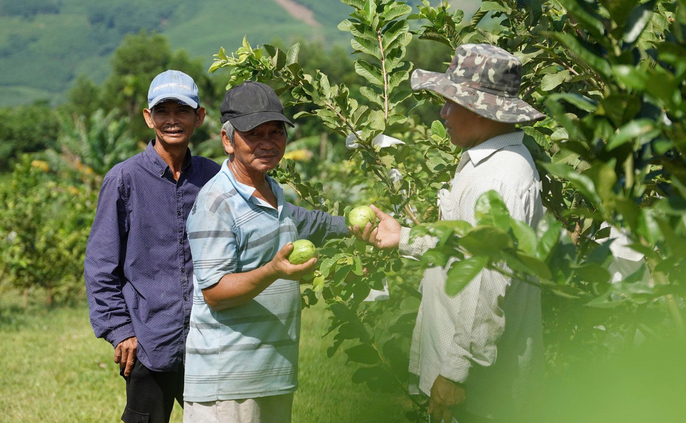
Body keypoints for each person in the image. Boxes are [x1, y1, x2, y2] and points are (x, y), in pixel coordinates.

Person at [84, 71, 346, 423]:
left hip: (207, 339)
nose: (173, 120)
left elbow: (284, 215)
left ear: (200, 117)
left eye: (183, 111)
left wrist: (349, 228)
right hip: (151, 339)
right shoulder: (124, 179)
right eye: (163, 111)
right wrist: (120, 330)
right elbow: (101, 263)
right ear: (149, 118)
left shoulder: (214, 177)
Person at [354, 44, 546, 422]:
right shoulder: (483, 163)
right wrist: (405, 238)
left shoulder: (498, 178)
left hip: (482, 389)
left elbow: (488, 283)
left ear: (480, 108)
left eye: (450, 103)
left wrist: (457, 372)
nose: (442, 112)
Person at [183, 81, 317, 423]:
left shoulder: (272, 190)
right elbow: (215, 292)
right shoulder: (216, 202)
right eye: (254, 133)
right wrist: (273, 271)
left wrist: (359, 230)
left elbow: (310, 222)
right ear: (228, 140)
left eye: (276, 132)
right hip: (228, 384)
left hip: (272, 374)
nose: (268, 143)